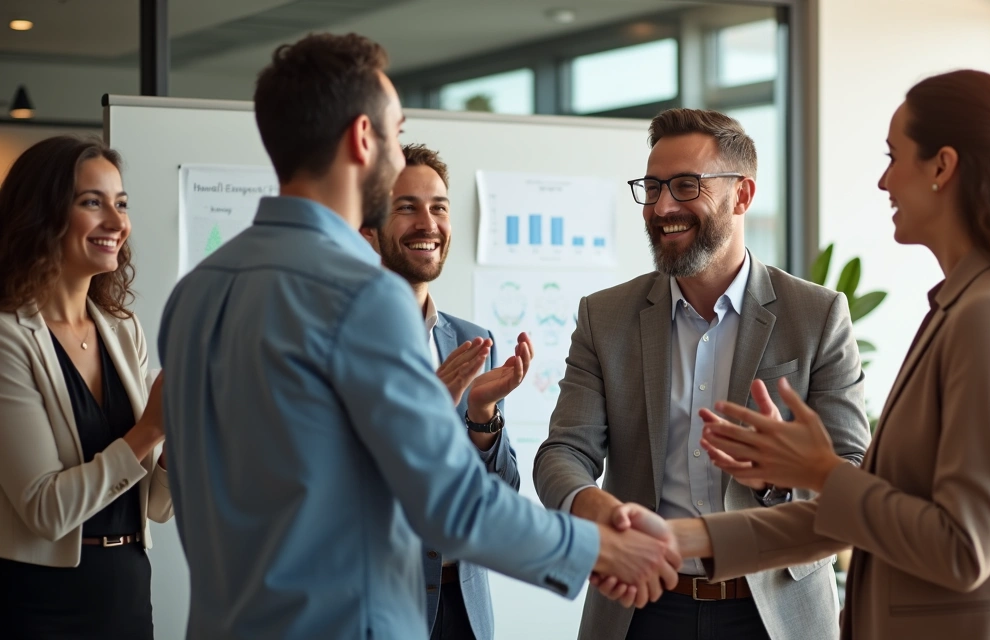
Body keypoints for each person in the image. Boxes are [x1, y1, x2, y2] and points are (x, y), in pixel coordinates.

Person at [157, 33, 679, 640]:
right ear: (362, 138)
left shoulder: (195, 293)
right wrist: (600, 549)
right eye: (395, 130)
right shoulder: (362, 295)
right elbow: (450, 502)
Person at [644, 70, 990, 639]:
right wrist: (685, 538)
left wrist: (819, 471)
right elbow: (871, 512)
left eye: (894, 157)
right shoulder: (961, 306)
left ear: (942, 166)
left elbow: (963, 547)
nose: (884, 180)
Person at [534, 108, 872, 640]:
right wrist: (594, 506)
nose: (662, 207)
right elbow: (563, 451)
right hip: (641, 607)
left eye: (686, 186)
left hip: (774, 611)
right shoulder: (605, 317)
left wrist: (776, 479)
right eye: (652, 187)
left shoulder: (817, 315)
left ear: (742, 195)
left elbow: (854, 473)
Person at [0, 136, 173, 639]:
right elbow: (46, 510)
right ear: (42, 215)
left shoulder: (124, 329)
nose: (118, 223)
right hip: (37, 603)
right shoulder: (9, 338)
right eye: (92, 203)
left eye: (121, 203)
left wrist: (174, 436)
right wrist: (150, 428)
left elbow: (156, 507)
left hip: (127, 592)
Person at [360, 143, 531, 640]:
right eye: (406, 208)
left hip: (464, 606)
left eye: (439, 207)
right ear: (368, 229)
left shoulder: (471, 341)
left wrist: (482, 416)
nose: (428, 224)